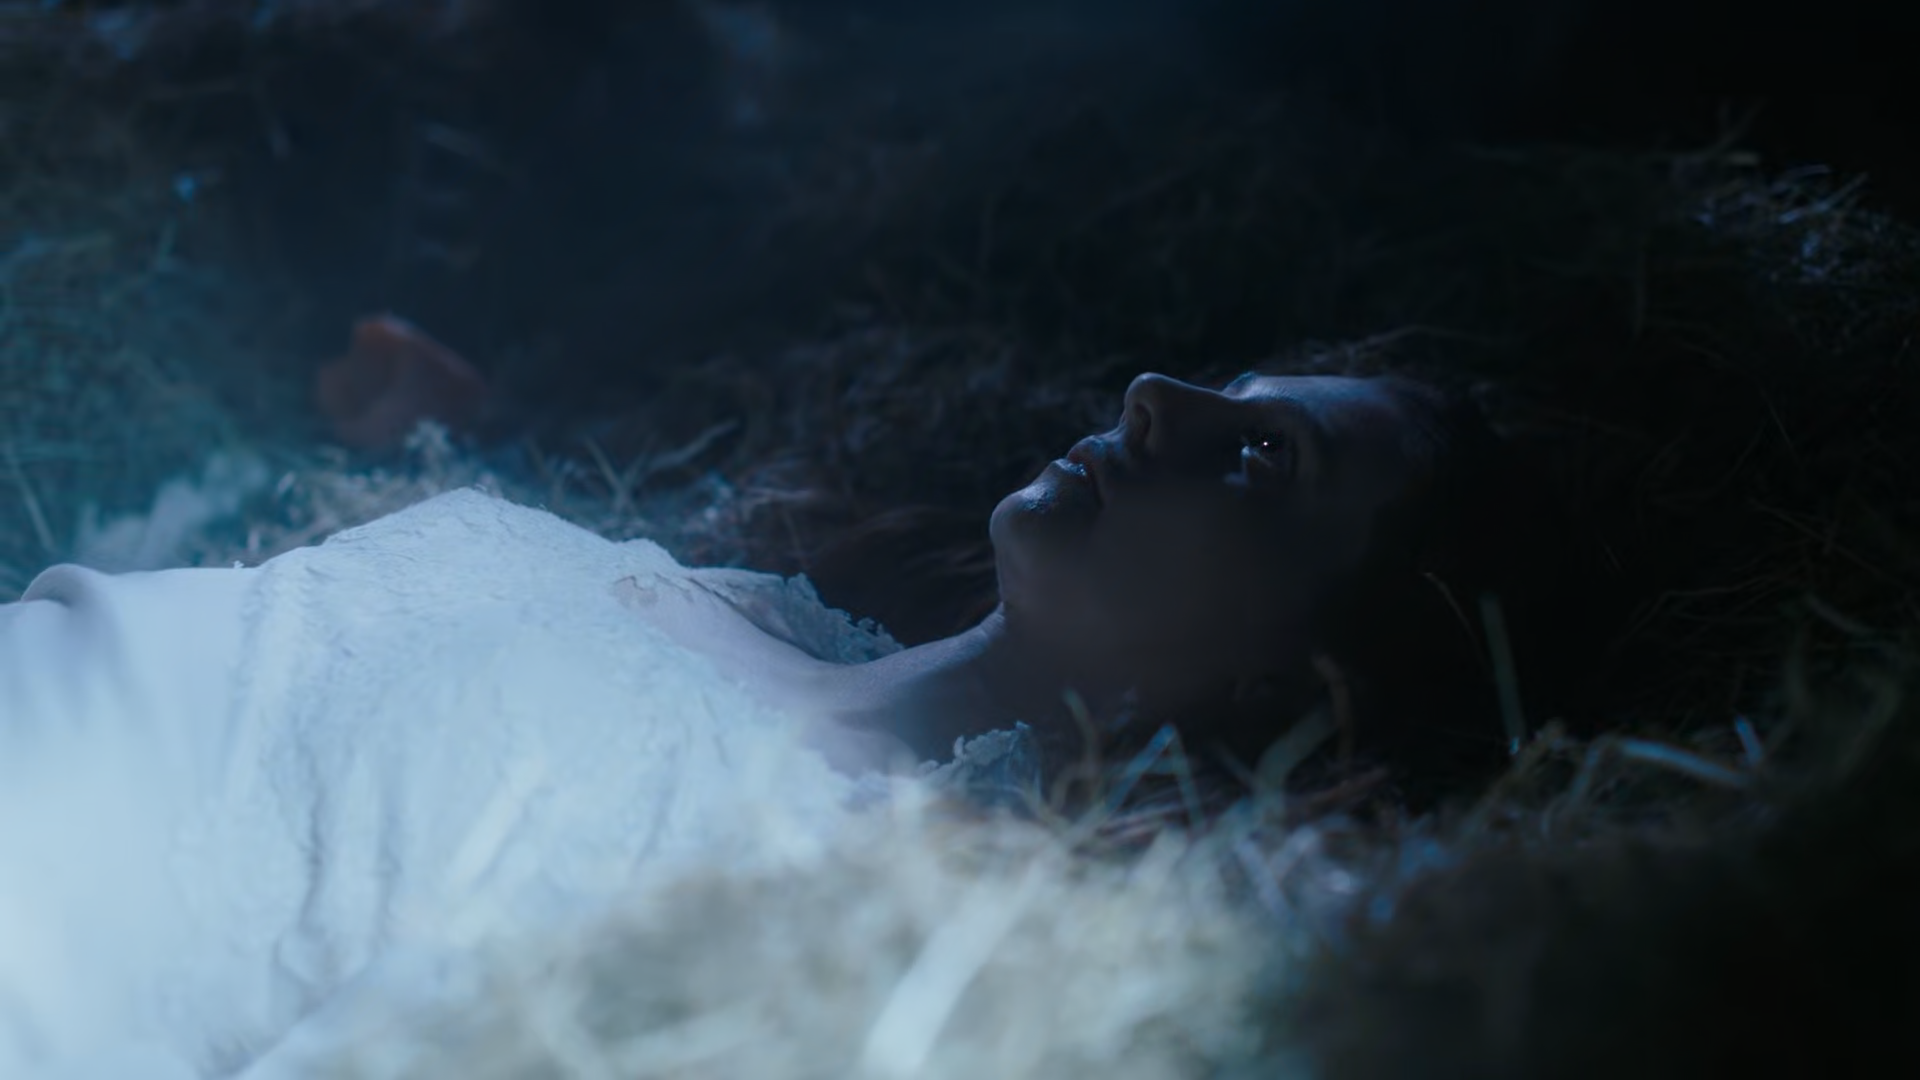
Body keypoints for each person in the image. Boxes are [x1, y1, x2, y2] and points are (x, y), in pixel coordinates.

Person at [0, 369, 1552, 1078]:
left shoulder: (857, 903)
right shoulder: (759, 597)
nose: (1160, 398)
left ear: (1296, 687)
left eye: (1263, 459)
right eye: (1226, 390)